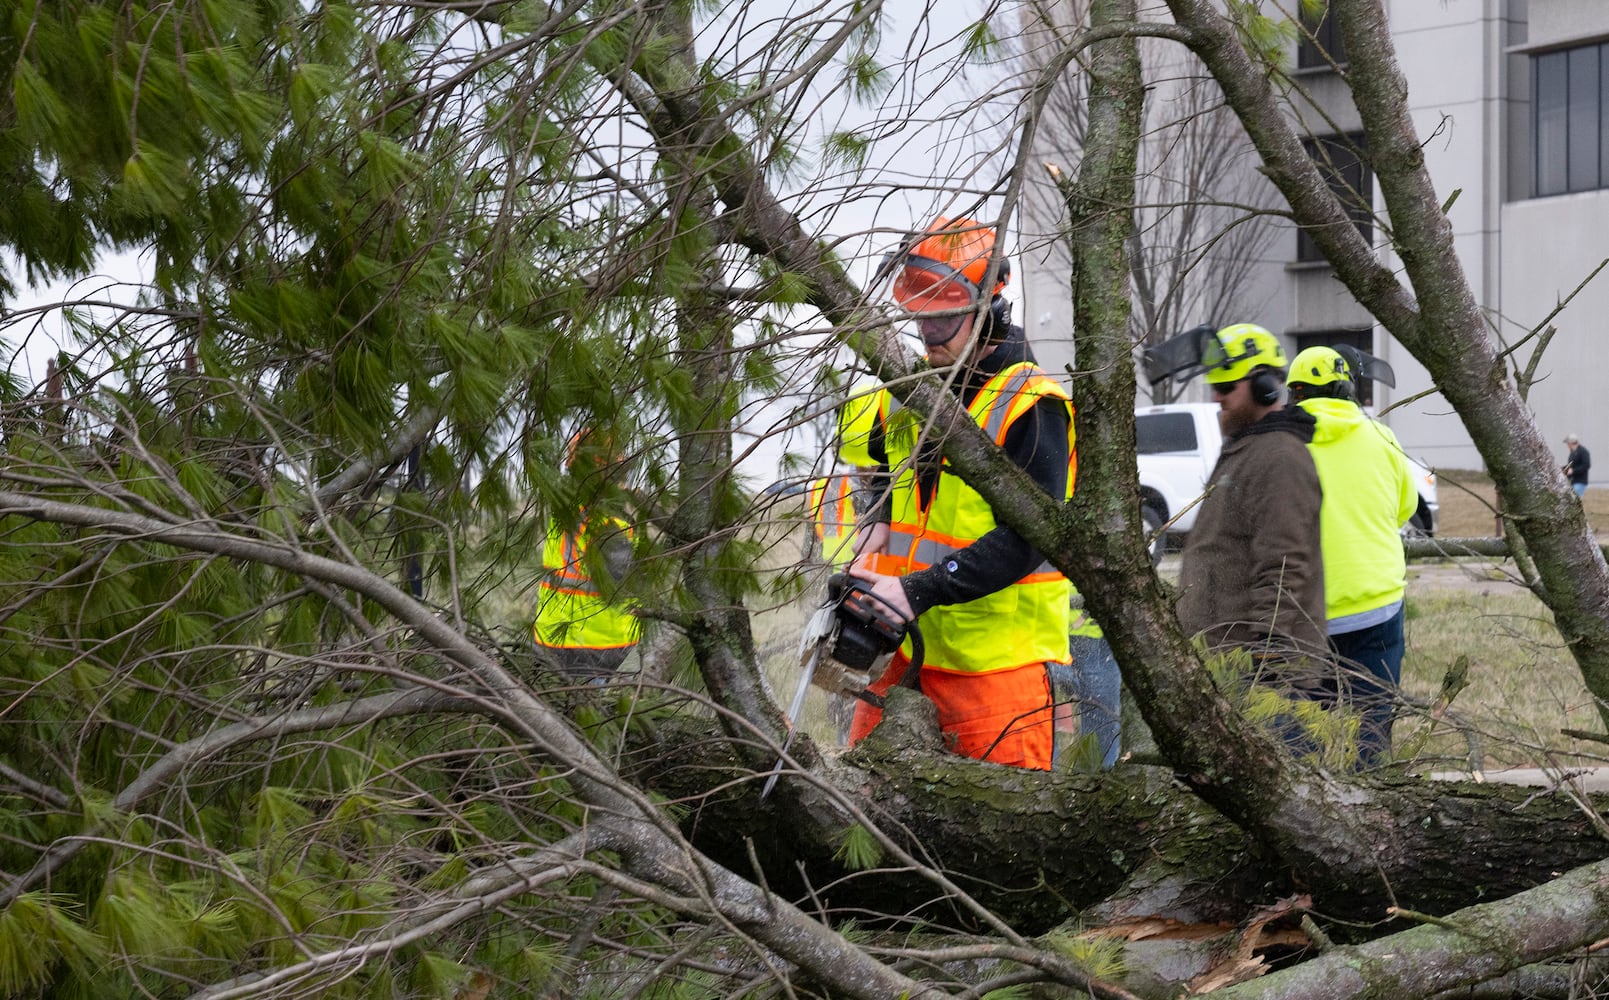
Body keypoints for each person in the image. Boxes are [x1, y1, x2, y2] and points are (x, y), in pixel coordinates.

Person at [843, 216, 1074, 770]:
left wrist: (919, 590)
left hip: (996, 670)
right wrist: (872, 521)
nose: (928, 336)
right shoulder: (908, 390)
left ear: (988, 307)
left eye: (943, 321)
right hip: (906, 651)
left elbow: (1030, 538)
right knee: (861, 804)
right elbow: (876, 470)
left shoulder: (1030, 404)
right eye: (918, 321)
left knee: (998, 836)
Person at [1287, 347, 1418, 767]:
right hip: (1375, 606)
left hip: (1304, 614)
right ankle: (1374, 803)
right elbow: (1405, 508)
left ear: (1296, 393)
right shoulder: (1382, 435)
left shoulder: (1283, 443)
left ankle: (1308, 808)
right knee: (1372, 728)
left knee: (1299, 733)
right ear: (1348, 389)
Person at [1175, 324, 1326, 668]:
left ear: (1265, 388)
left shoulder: (1280, 458)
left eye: (1227, 385)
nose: (1217, 396)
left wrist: (1270, 653)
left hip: (1258, 672)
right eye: (1214, 386)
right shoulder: (1248, 448)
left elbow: (1284, 562)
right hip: (1226, 657)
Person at [532, 429, 641, 682]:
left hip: (556, 634)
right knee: (593, 718)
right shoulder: (606, 521)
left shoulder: (566, 507)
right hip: (598, 643)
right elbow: (623, 576)